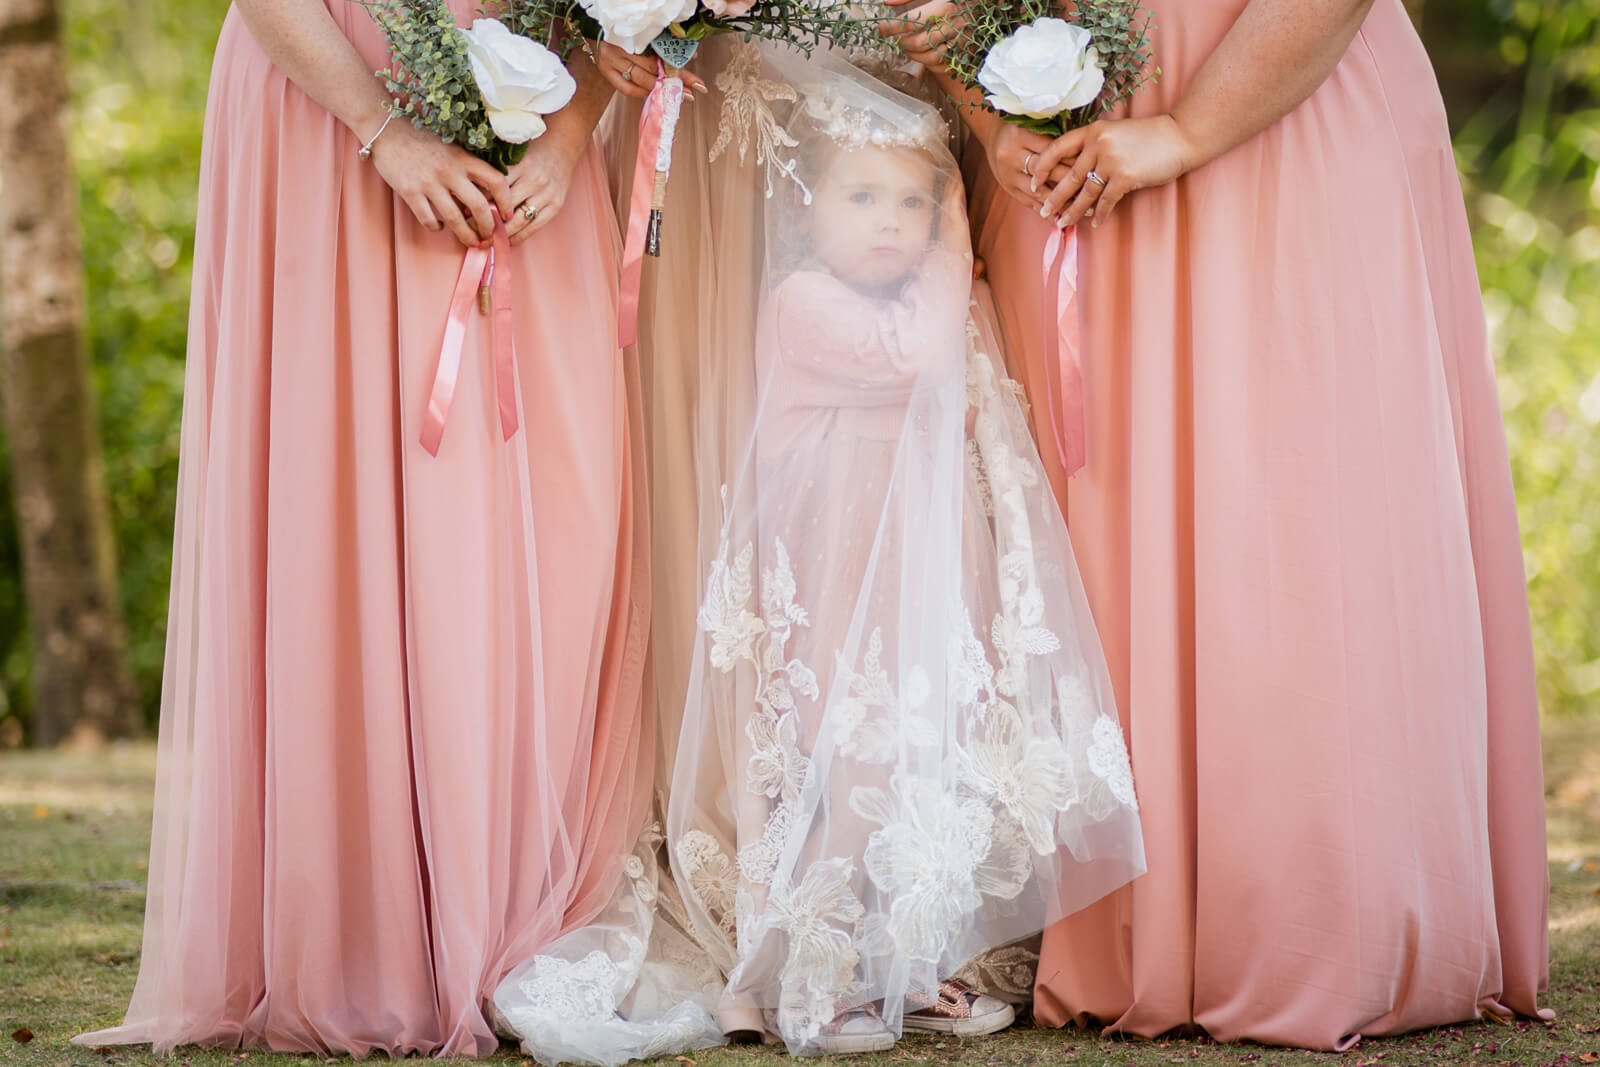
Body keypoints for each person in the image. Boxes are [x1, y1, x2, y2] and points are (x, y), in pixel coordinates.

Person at [886, 0, 1551, 1049]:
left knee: (1287, 514)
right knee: (1088, 519)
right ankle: (1107, 920)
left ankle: (1300, 916)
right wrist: (994, 109)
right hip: (1067, 140)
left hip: (1283, 116)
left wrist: (1186, 130)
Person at [494, 49, 1144, 1061]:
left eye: (915, 204)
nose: (891, 220)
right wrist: (951, 254)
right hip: (833, 592)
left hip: (905, 586)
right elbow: (919, 358)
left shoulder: (908, 293)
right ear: (807, 213)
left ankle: (898, 950)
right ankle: (801, 969)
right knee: (837, 765)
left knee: (913, 755)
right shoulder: (804, 304)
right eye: (862, 197)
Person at [74, 0, 652, 1056]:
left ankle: (520, 910)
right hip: (324, 100)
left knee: (552, 502)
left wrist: (570, 139)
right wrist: (384, 135)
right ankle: (369, 932)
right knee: (344, 494)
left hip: (530, 115)